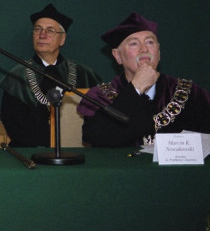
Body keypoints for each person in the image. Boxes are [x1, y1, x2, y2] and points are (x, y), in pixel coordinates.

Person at [78, 12, 210, 147]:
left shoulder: (189, 93)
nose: (144, 49)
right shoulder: (100, 96)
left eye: (150, 42)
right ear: (117, 56)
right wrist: (136, 88)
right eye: (134, 44)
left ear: (159, 52)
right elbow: (95, 137)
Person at [0, 4, 102, 147]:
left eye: (50, 30)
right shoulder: (17, 76)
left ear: (62, 39)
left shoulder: (84, 75)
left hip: (76, 151)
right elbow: (13, 123)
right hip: (29, 153)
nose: (42, 35)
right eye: (37, 29)